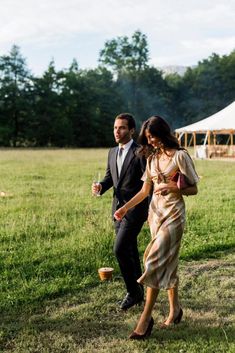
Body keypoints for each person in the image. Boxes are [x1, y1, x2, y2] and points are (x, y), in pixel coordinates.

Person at [114, 115, 199, 339]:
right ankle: (175, 310)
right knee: (166, 262)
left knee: (152, 260)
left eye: (153, 137)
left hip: (174, 216)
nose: (151, 141)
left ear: (163, 133)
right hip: (155, 215)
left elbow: (194, 189)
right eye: (148, 138)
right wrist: (125, 209)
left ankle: (145, 318)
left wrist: (174, 187)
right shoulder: (152, 159)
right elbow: (144, 192)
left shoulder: (180, 156)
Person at [92, 113, 149, 310]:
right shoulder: (111, 152)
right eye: (115, 127)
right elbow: (110, 178)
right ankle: (140, 289)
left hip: (135, 210)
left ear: (132, 130)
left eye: (122, 128)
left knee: (120, 249)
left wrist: (149, 211)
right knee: (130, 250)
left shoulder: (141, 152)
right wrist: (100, 186)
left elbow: (147, 185)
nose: (117, 131)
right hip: (117, 210)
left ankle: (132, 292)